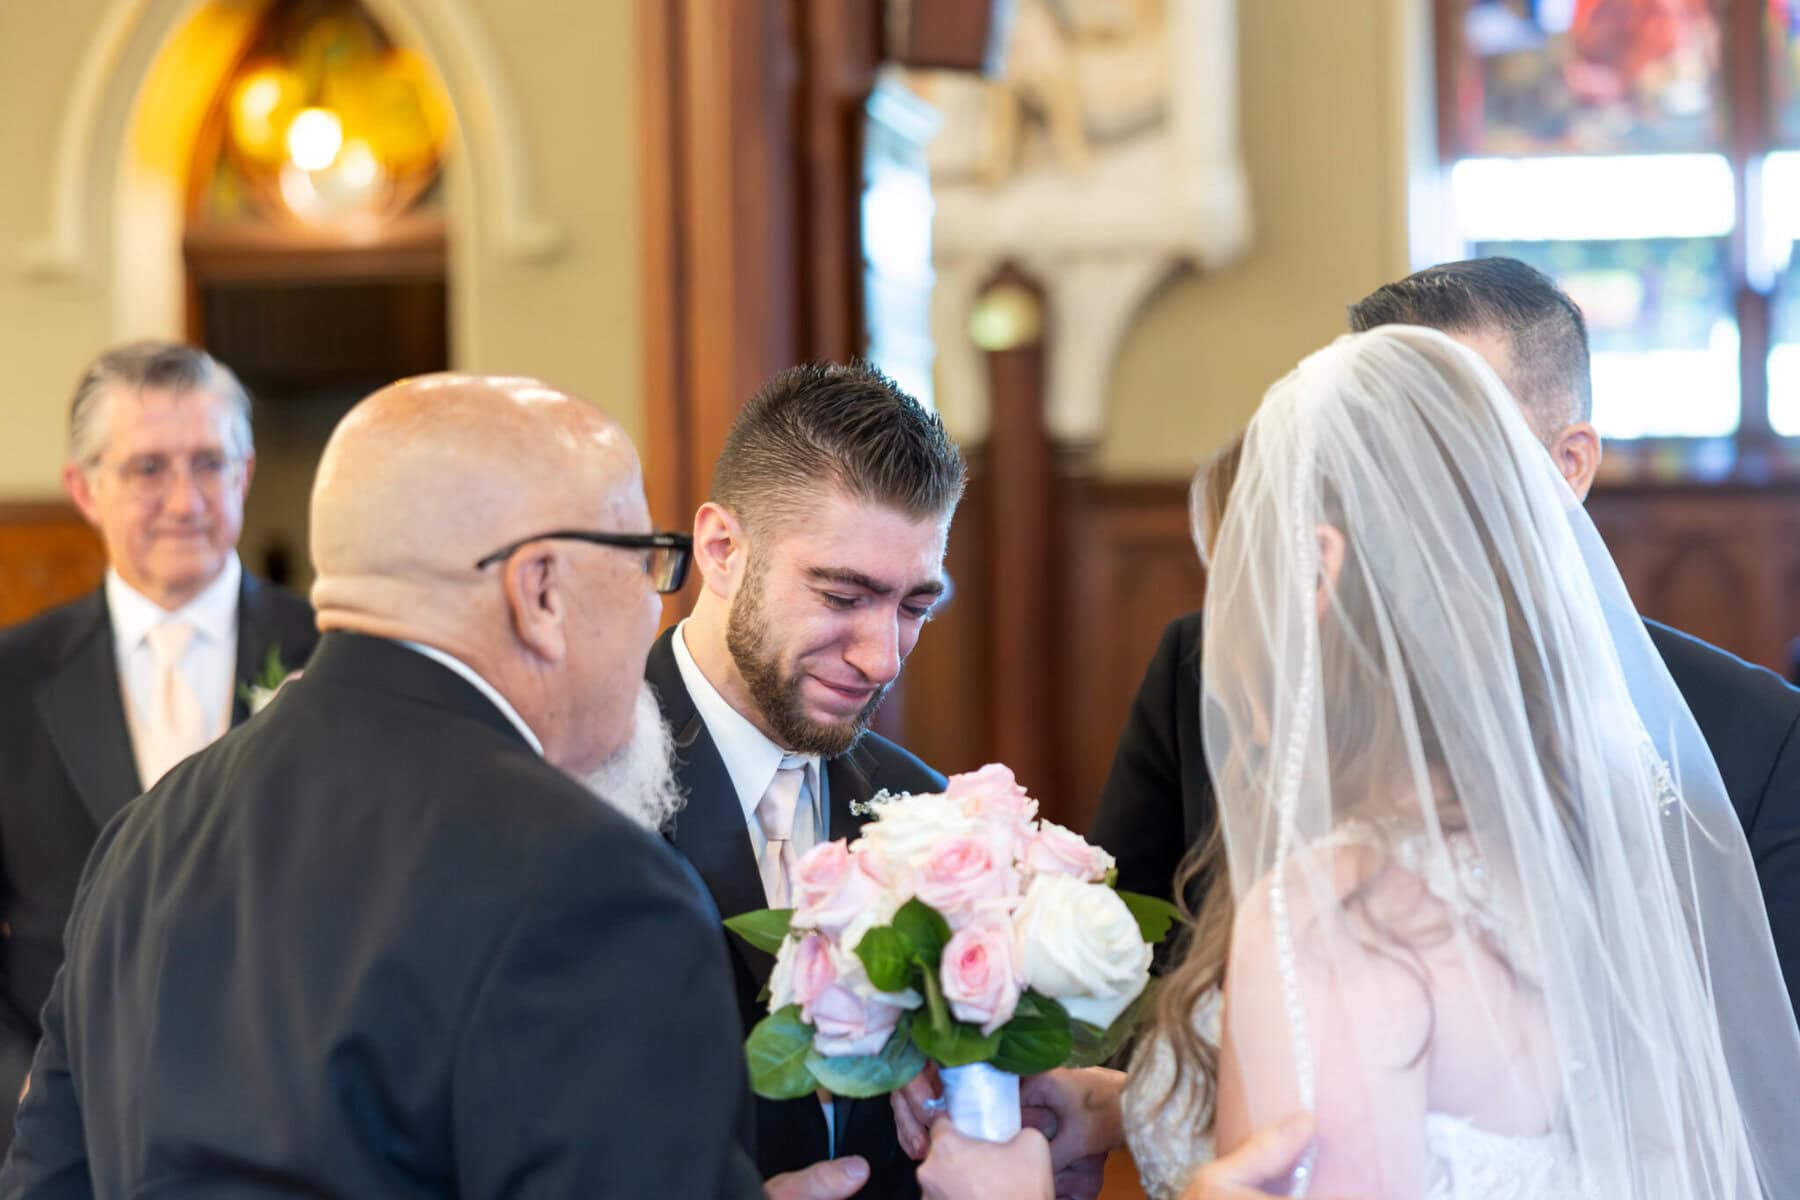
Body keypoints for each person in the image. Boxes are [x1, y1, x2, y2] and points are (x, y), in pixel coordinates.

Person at [911, 327, 1800, 1197]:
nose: (1216, 636)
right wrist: (1134, 1103)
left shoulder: (1340, 917)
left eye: (1236, 578)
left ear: (1319, 571)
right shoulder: (1597, 862)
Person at [0, 373, 814, 1197]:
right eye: (645, 562)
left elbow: (47, 1181)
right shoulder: (596, 881)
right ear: (538, 591)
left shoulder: (146, 833)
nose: (654, 612)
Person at [1090, 258, 1800, 1028]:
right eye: (1374, 445)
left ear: (1569, 468)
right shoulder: (1216, 661)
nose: (1406, 487)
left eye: (1448, 446)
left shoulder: (1758, 735)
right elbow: (1122, 969)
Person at [648, 361, 965, 1197]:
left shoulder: (925, 812)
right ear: (722, 550)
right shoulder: (580, 784)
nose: (882, 657)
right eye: (842, 594)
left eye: (913, 607)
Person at [0, 342, 316, 1142]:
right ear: (84, 488)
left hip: (298, 1117)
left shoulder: (331, 653)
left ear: (243, 476)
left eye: (210, 463)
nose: (185, 500)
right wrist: (26, 1092)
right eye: (147, 469)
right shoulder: (10, 677)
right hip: (67, 1129)